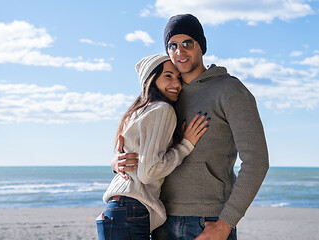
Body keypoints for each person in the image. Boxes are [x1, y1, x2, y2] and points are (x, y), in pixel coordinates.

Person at [112, 14, 269, 240]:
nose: (180, 51)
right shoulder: (166, 95)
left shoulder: (230, 91)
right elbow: (139, 142)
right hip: (160, 219)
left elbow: (257, 161)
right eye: (172, 45)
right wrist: (117, 163)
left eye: (188, 43)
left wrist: (226, 223)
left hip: (207, 222)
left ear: (201, 46)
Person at [96, 53, 210, 240]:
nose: (176, 84)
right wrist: (186, 145)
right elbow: (148, 172)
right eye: (168, 76)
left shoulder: (136, 112)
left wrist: (115, 164)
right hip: (130, 211)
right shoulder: (163, 109)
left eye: (178, 78)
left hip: (117, 209)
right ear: (151, 79)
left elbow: (132, 159)